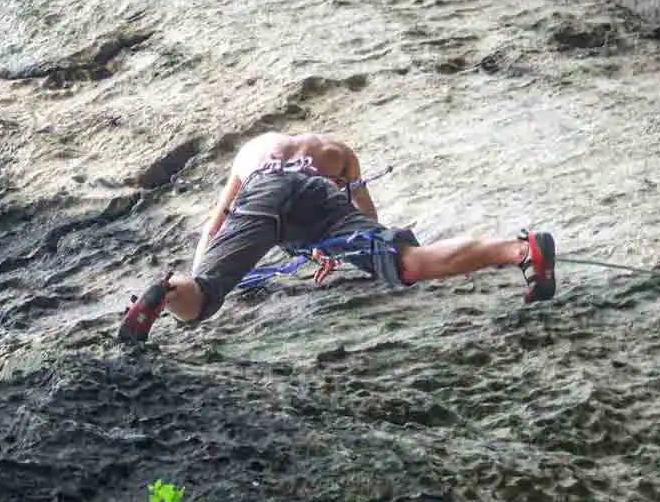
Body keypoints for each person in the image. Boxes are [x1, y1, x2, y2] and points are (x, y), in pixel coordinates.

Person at [116, 131, 556, 343]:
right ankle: (520, 250)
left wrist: (204, 273)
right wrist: (361, 247)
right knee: (408, 262)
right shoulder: (336, 153)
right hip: (317, 195)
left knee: (203, 300)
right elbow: (364, 212)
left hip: (263, 191)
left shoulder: (253, 151)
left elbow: (217, 222)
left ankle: (166, 292)